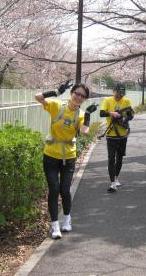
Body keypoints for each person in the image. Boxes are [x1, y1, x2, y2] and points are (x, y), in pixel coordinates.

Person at [35, 80, 97, 239]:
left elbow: (84, 131)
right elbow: (37, 97)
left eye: (82, 96)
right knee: (54, 189)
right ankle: (55, 225)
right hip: (50, 155)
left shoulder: (81, 114)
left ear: (84, 99)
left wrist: (88, 116)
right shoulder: (57, 106)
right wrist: (55, 91)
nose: (79, 97)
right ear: (71, 93)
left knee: (65, 190)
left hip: (68, 157)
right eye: (77, 93)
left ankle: (67, 219)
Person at [99, 82, 134, 193]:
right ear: (113, 90)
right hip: (111, 135)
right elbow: (101, 113)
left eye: (121, 93)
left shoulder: (126, 101)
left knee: (119, 158)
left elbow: (131, 115)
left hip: (123, 135)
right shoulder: (107, 100)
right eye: (118, 92)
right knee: (111, 158)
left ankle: (116, 177)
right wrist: (111, 113)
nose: (119, 95)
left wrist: (124, 118)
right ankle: (112, 183)